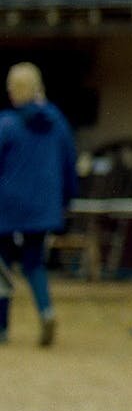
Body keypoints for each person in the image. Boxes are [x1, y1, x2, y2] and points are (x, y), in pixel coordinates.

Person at [0, 62, 79, 347]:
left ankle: (2, 327)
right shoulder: (57, 122)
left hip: (6, 209)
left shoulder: (6, 124)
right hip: (42, 210)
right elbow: (69, 163)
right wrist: (67, 200)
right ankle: (46, 310)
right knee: (34, 264)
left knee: (3, 266)